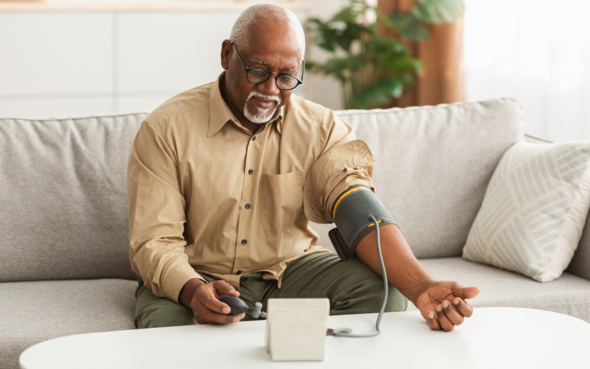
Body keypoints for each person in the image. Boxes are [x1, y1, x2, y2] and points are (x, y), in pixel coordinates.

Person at [127, 3, 480, 333]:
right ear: (226, 55)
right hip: (196, 274)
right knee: (166, 332)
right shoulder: (166, 129)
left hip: (289, 271)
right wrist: (191, 291)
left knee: (381, 290)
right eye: (258, 70)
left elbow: (358, 211)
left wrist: (422, 286)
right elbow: (154, 242)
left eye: (286, 76)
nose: (270, 89)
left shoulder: (322, 129)